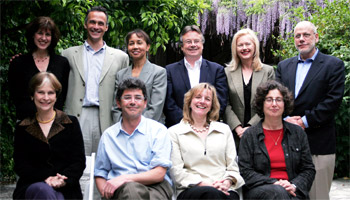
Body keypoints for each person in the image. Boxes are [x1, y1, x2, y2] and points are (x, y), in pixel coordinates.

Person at [276, 21, 345, 200]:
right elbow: (276, 99)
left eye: (306, 35)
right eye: (297, 36)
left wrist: (303, 122)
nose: (301, 39)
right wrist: (285, 120)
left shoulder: (333, 65)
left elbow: (332, 101)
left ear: (316, 37)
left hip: (318, 144)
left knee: (318, 195)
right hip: (287, 142)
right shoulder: (284, 66)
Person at [62, 6, 129, 155]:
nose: (96, 27)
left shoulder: (120, 57)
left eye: (100, 23)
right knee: (77, 161)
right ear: (85, 24)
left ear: (106, 27)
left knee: (106, 161)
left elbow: (124, 91)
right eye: (92, 22)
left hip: (107, 117)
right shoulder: (67, 54)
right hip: (77, 115)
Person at [94, 77, 173, 200]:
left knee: (132, 191)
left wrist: (125, 178)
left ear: (145, 103)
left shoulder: (158, 131)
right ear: (118, 103)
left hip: (156, 188)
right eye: (127, 97)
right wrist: (106, 193)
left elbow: (159, 173)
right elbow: (100, 173)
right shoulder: (108, 136)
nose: (132, 102)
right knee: (131, 191)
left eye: (137, 98)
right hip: (120, 191)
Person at [13, 72, 85, 200]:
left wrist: (62, 180)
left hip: (66, 188)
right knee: (44, 191)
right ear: (32, 95)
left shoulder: (70, 123)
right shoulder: (22, 127)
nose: (46, 97)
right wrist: (46, 179)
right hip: (32, 186)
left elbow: (78, 161)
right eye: (41, 92)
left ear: (56, 96)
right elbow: (20, 164)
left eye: (50, 93)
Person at [238, 80, 315, 199]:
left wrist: (294, 185)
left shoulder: (297, 133)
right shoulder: (249, 135)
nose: (274, 104)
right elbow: (245, 171)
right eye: (269, 100)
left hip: (292, 190)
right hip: (260, 190)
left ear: (285, 104)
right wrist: (274, 183)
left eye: (279, 100)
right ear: (261, 104)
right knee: (278, 193)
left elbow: (308, 169)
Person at [169, 83, 244, 199]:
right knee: (210, 194)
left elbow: (233, 168)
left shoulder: (224, 130)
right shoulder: (174, 132)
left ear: (212, 105)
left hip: (224, 188)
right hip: (191, 190)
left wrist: (226, 183)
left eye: (207, 99)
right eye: (198, 97)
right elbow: (177, 172)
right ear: (189, 102)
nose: (202, 101)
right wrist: (207, 185)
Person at [164, 25, 228, 127]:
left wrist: (203, 123)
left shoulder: (217, 70)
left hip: (208, 128)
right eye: (188, 42)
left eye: (196, 41)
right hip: (178, 128)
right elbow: (169, 103)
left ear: (202, 45)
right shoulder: (170, 71)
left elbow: (221, 101)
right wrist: (187, 123)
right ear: (182, 46)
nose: (193, 45)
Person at [8, 16, 70, 121]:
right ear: (33, 35)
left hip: (54, 123)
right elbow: (15, 95)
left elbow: (62, 95)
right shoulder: (18, 63)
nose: (43, 38)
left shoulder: (62, 63)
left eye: (48, 34)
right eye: (40, 33)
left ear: (52, 37)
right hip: (26, 122)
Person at [225, 28, 275, 149]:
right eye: (240, 45)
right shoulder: (227, 72)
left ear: (255, 46)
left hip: (261, 131)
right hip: (234, 134)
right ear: (235, 49)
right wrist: (237, 128)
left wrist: (250, 127)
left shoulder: (268, 71)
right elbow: (225, 103)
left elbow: (269, 102)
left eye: (248, 44)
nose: (244, 48)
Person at [112, 29, 167, 123]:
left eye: (139, 43)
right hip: (124, 128)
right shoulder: (120, 74)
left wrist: (136, 126)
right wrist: (123, 125)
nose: (135, 47)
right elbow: (116, 107)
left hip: (150, 128)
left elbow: (156, 108)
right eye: (131, 43)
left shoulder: (158, 72)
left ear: (148, 47)